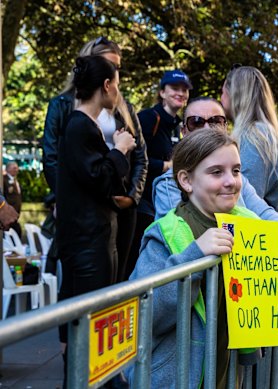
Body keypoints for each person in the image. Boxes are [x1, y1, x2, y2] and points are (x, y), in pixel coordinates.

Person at [127, 128, 278, 387]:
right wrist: (194, 256)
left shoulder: (252, 226)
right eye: (216, 172)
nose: (231, 181)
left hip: (225, 374)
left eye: (235, 170)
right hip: (173, 379)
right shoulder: (166, 233)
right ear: (186, 180)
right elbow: (142, 315)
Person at [56, 55, 136, 386]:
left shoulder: (84, 127)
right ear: (106, 86)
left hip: (95, 239)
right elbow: (99, 178)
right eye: (116, 84)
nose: (118, 92)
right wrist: (120, 150)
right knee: (91, 323)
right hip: (88, 242)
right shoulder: (79, 126)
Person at [42, 37, 148, 285]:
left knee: (115, 282)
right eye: (108, 67)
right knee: (89, 293)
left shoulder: (125, 109)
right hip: (87, 213)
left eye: (117, 68)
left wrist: (132, 195)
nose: (114, 76)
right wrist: (69, 200)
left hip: (117, 207)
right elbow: (53, 159)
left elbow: (141, 155)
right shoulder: (70, 112)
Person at [152, 96, 278, 223]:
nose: (207, 129)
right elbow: (173, 237)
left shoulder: (237, 179)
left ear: (226, 128)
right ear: (184, 131)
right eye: (196, 122)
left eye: (216, 121)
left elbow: (267, 216)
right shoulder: (169, 185)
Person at [126, 69, 191, 280]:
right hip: (143, 208)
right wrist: (166, 166)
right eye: (175, 88)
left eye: (184, 90)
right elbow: (133, 157)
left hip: (166, 203)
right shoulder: (147, 118)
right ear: (162, 92)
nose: (180, 93)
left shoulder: (179, 126)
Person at [221, 65, 278, 212]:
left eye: (222, 92)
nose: (220, 98)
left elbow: (244, 202)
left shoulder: (254, 137)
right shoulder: (262, 133)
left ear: (235, 95)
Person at [3, 162, 22, 237]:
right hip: (8, 214)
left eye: (17, 168)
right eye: (14, 168)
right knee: (16, 231)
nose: (16, 170)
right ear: (7, 169)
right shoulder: (3, 180)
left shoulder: (16, 180)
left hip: (15, 214)